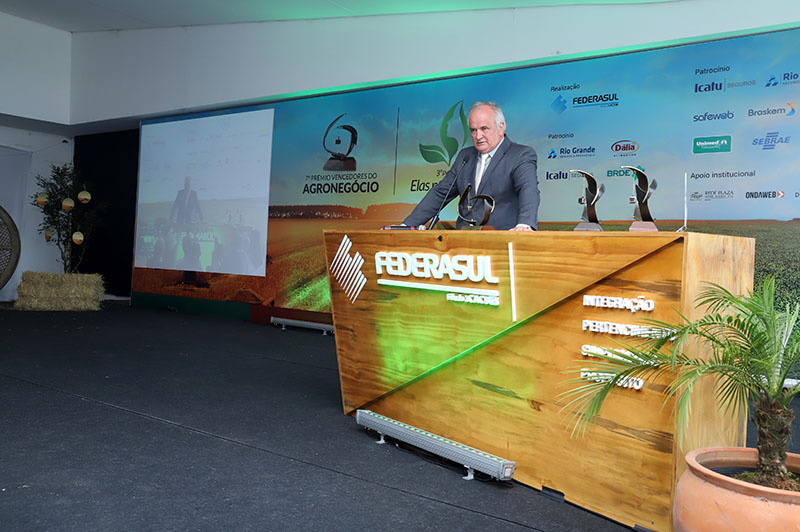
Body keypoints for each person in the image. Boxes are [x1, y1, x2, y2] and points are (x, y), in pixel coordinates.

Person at [403, 101, 539, 230]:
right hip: (463, 240)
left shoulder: (521, 155)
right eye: (473, 130)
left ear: (501, 127)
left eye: (484, 128)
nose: (478, 136)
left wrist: (524, 225)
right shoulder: (465, 156)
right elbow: (441, 193)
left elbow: (528, 189)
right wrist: (407, 225)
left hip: (502, 240)